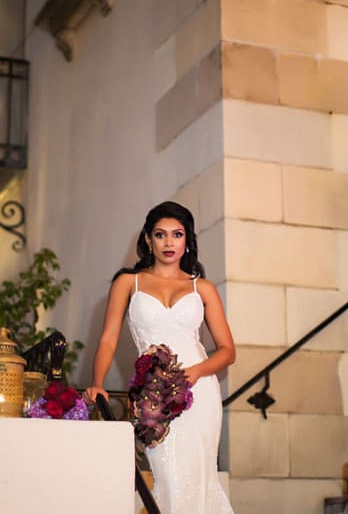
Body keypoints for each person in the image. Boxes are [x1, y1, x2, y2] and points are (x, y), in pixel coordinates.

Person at [83, 201, 235, 514]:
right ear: (148, 240)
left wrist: (194, 373)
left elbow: (228, 351)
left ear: (187, 240)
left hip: (200, 392)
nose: (169, 242)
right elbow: (108, 339)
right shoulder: (128, 282)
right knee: (169, 477)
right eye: (161, 235)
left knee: (200, 476)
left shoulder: (202, 288)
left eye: (177, 235)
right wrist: (97, 383)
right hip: (154, 395)